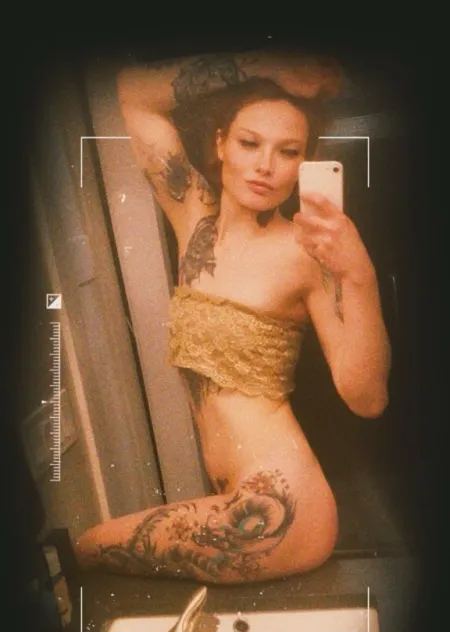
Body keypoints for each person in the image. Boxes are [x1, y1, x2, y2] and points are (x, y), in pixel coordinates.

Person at [74, 50, 391, 584]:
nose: (266, 165)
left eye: (288, 152)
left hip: (280, 511)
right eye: (249, 143)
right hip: (237, 500)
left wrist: (359, 275)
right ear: (220, 143)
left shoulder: (307, 251)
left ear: (304, 164)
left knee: (84, 550)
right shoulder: (193, 217)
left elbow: (367, 398)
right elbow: (134, 93)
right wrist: (272, 68)